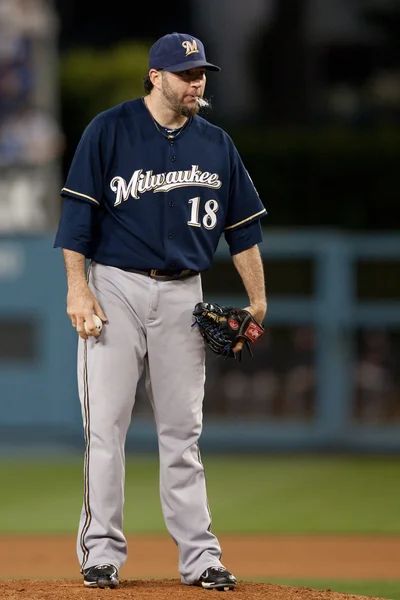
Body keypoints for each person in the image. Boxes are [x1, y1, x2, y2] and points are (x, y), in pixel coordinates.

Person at [53, 31, 267, 591]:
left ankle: (201, 559)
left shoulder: (217, 144)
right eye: (186, 73)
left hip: (183, 293)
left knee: (182, 433)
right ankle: (101, 553)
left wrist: (259, 300)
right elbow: (76, 221)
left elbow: (243, 231)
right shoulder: (109, 129)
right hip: (116, 286)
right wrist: (79, 289)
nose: (197, 82)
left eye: (201, 74)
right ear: (156, 76)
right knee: (107, 428)